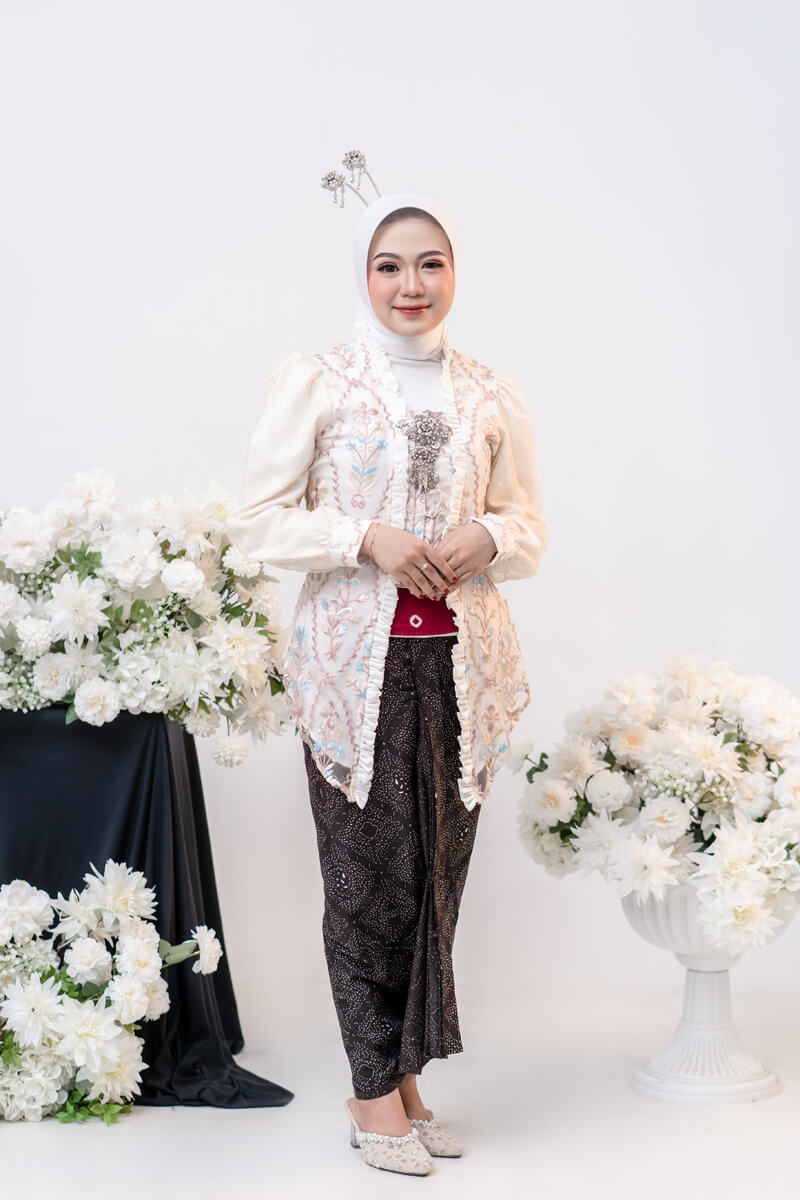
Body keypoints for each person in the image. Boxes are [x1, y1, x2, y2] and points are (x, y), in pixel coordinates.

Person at [227, 184, 549, 1176]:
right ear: (365, 278)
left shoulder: (489, 393)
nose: (411, 284)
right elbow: (256, 520)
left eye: (429, 264)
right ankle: (370, 1094)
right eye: (389, 266)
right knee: (365, 883)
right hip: (351, 672)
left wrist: (486, 533)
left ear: (454, 275)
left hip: (462, 669)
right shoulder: (319, 381)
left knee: (434, 883)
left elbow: (529, 528)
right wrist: (365, 536)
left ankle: (403, 1081)